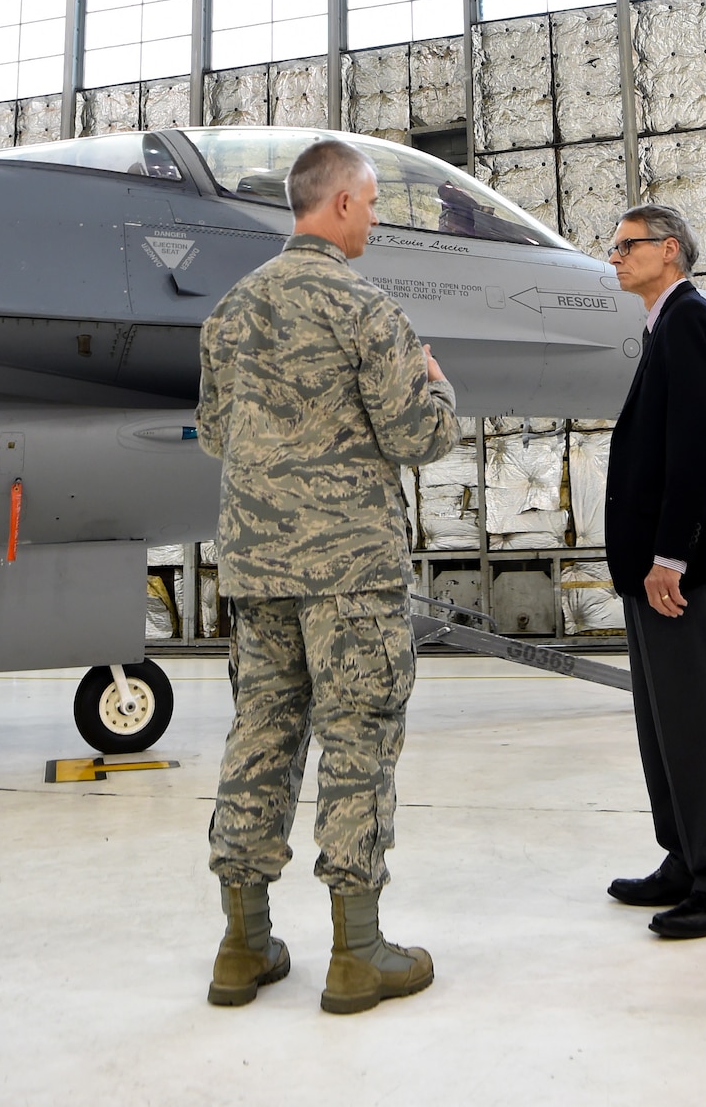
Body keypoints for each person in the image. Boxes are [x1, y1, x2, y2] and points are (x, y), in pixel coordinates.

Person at [197, 136, 459, 1014]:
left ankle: (242, 945)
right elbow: (416, 438)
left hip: (257, 568)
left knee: (260, 738)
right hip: (349, 571)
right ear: (341, 202)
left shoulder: (230, 311)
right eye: (374, 204)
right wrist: (439, 390)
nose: (376, 219)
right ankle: (358, 952)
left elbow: (215, 434)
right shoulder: (365, 308)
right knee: (356, 741)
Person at [604, 203, 706, 941]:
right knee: (661, 719)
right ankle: (684, 856)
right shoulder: (664, 324)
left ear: (670, 251)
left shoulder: (692, 322)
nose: (614, 258)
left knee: (694, 719)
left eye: (626, 246)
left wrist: (673, 553)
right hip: (648, 565)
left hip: (672, 564)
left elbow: (695, 447)